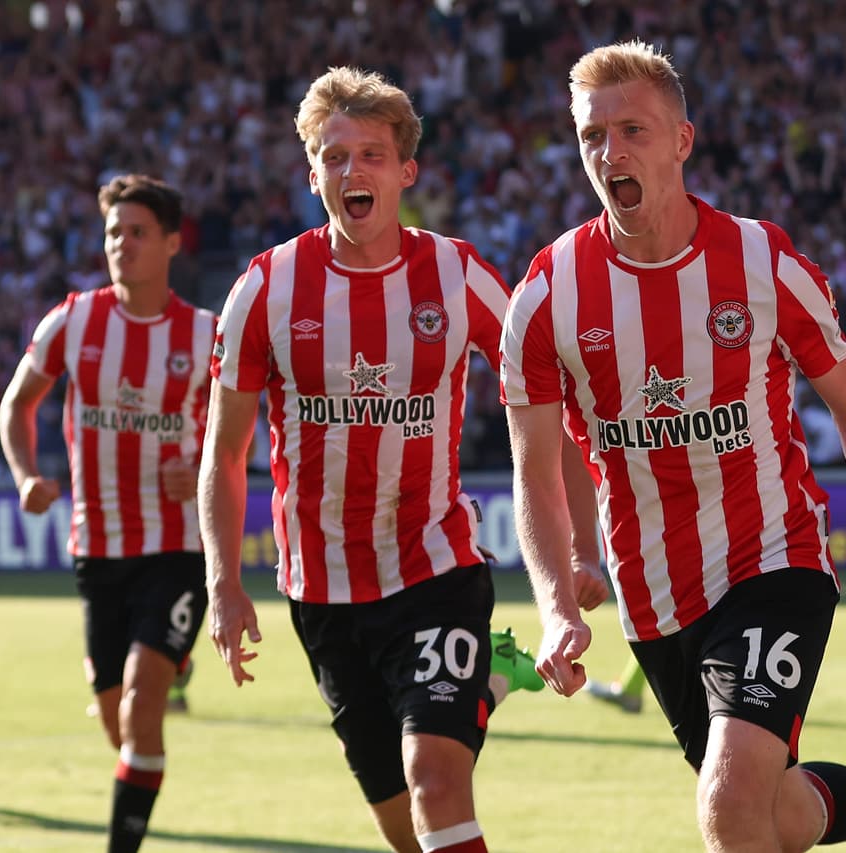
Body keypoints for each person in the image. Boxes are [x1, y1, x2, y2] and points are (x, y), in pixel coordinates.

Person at [500, 41, 846, 853]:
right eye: (593, 136)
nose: (611, 152)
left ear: (682, 141)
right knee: (770, 813)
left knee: (727, 805)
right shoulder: (546, 294)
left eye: (633, 129)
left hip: (772, 560)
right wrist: (558, 604)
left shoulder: (761, 261)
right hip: (652, 595)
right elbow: (535, 468)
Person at [200, 66, 606, 853]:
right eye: (335, 155)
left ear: (405, 172)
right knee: (409, 831)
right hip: (322, 594)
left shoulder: (456, 274)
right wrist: (222, 583)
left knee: (435, 782)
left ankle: (477, 676)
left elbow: (554, 401)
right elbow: (225, 453)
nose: (353, 170)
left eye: (372, 155)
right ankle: (491, 677)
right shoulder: (266, 289)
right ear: (313, 173)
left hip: (434, 573)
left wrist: (584, 546)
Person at [0, 174, 215, 853]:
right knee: (118, 723)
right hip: (98, 546)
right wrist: (27, 474)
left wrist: (203, 467)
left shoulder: (206, 334)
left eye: (138, 232)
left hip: (178, 545)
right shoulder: (73, 320)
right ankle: (166, 676)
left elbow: (241, 431)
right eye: (113, 232)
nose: (122, 244)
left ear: (172, 243)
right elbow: (16, 405)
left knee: (141, 703)